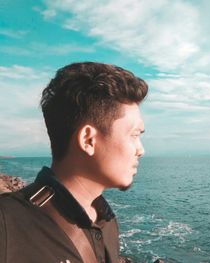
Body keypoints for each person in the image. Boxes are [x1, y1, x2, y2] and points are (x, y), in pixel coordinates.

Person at [0, 62, 148, 263]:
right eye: (134, 135)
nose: (141, 150)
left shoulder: (106, 220)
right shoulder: (7, 224)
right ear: (88, 140)